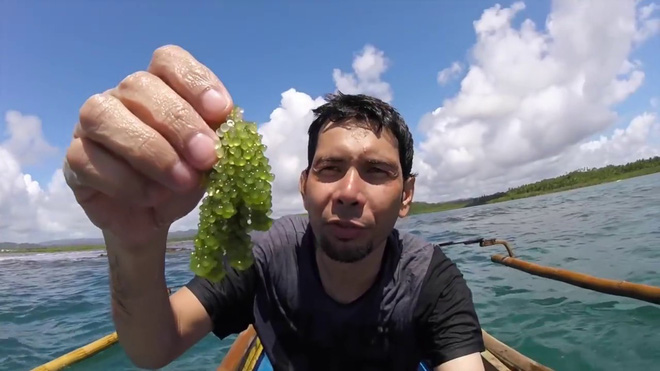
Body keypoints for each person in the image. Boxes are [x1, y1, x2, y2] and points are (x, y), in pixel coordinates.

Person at [63, 45, 486, 371]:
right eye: (330, 168)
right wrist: (133, 244)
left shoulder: (432, 278)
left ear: (407, 195)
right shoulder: (263, 255)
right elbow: (152, 347)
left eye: (376, 171)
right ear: (304, 187)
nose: (349, 191)